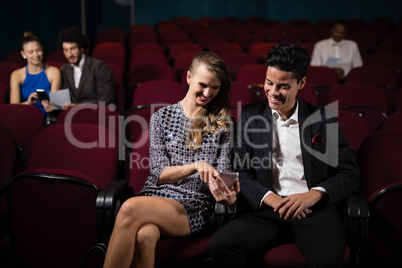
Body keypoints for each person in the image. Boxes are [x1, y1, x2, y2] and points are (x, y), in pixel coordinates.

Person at [210, 43, 360, 268]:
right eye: (269, 83)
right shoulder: (250, 116)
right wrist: (273, 200)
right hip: (268, 208)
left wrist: (313, 195)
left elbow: (349, 174)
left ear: (301, 83)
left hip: (313, 210)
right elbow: (241, 171)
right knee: (221, 245)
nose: (272, 92)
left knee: (328, 260)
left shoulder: (322, 119)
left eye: (283, 86)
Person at [103, 51, 240, 268]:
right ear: (188, 78)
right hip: (157, 195)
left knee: (128, 209)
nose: (208, 93)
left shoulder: (223, 121)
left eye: (215, 87)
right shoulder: (161, 117)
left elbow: (224, 173)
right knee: (144, 236)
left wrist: (228, 196)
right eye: (202, 85)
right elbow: (159, 173)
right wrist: (195, 166)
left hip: (196, 205)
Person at [56, 27, 114, 109]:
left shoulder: (99, 67)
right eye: (65, 50)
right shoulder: (64, 70)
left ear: (81, 48)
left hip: (95, 114)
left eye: (73, 49)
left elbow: (106, 100)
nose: (69, 54)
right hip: (72, 116)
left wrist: (80, 106)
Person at [10, 32, 61, 116]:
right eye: (31, 52)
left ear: (42, 49)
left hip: (48, 117)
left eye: (38, 50)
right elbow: (13, 107)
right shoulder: (16, 75)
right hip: (25, 115)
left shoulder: (54, 72)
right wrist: (28, 103)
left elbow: (54, 104)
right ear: (23, 54)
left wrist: (49, 106)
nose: (36, 55)